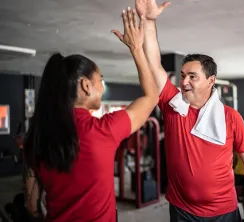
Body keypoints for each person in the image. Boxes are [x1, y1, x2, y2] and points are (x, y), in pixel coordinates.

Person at [23, 8, 158, 222]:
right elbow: (152, 97)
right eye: (100, 81)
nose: (102, 88)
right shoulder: (103, 130)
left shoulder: (36, 138)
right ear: (86, 85)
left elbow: (32, 205)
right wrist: (136, 49)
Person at [135, 1, 244, 221]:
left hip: (223, 211)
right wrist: (148, 21)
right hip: (182, 210)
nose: (184, 81)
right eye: (183, 75)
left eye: (192, 76)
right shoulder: (171, 104)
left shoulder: (230, 117)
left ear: (210, 81)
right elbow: (154, 64)